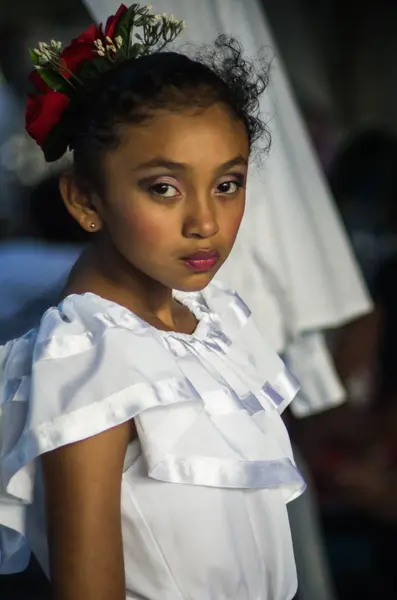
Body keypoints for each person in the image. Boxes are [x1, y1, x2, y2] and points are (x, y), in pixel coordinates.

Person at [0, 4, 305, 599]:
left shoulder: (212, 328)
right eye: (163, 187)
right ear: (85, 199)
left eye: (227, 184)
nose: (204, 222)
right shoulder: (88, 359)